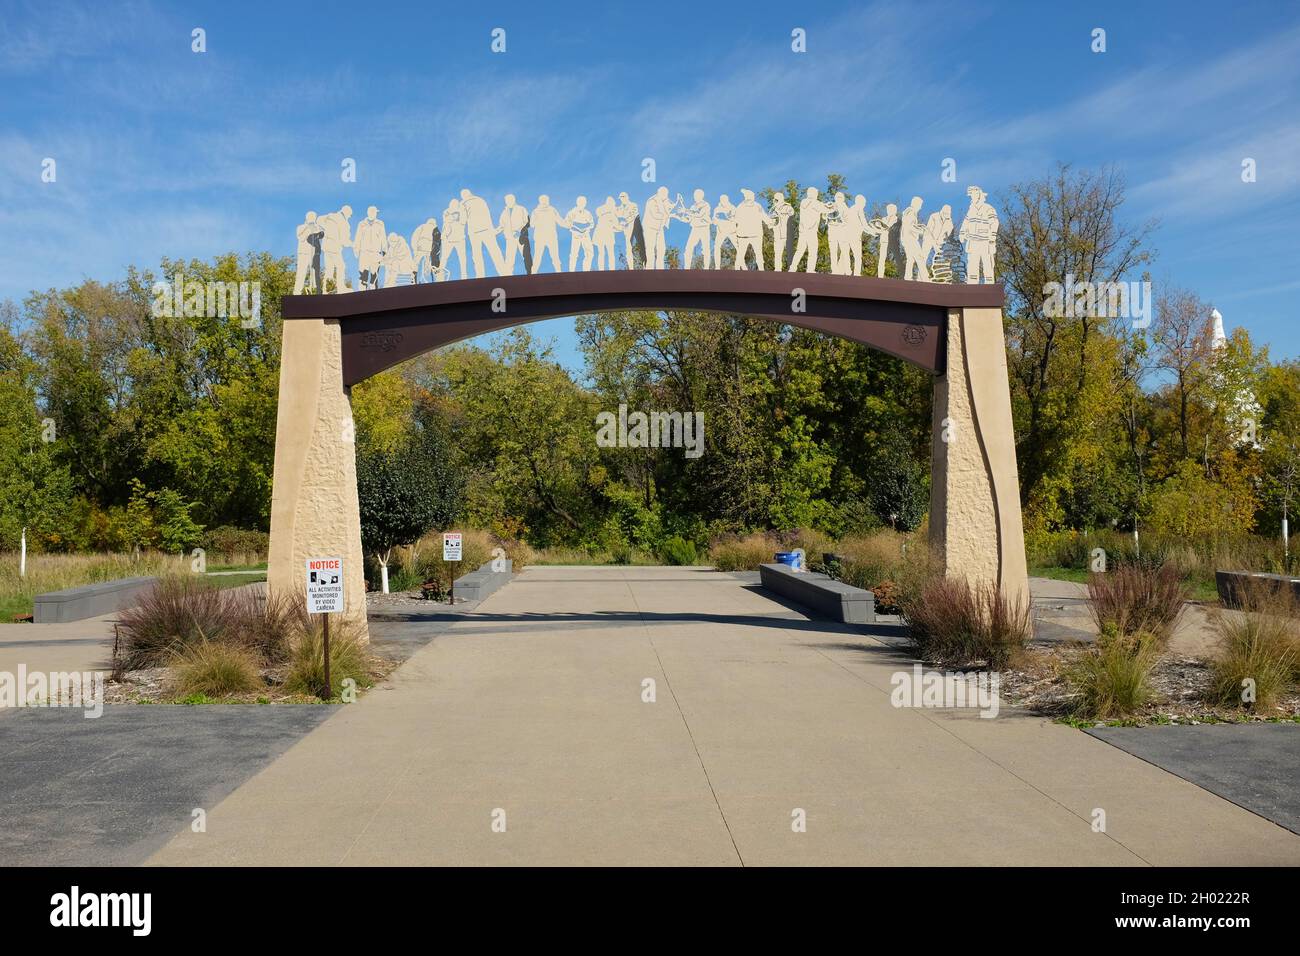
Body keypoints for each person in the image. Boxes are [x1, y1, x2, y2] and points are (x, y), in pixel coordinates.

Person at [461, 188, 506, 277]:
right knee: (495, 252)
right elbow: (487, 214)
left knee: (477, 255)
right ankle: (504, 273)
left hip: (474, 232)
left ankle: (480, 276)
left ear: (463, 196)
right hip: (487, 229)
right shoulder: (481, 200)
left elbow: (463, 220)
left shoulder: (464, 203)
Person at [959, 186, 998, 283]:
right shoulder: (971, 210)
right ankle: (972, 284)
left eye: (973, 195)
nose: (972, 197)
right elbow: (966, 222)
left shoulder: (988, 208)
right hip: (973, 241)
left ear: (979, 195)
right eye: (971, 195)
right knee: (972, 264)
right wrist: (962, 233)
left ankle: (989, 284)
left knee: (987, 265)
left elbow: (995, 222)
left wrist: (992, 236)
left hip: (985, 241)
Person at [789, 187, 829, 273]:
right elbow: (826, 209)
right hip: (811, 231)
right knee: (813, 250)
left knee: (800, 250)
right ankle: (810, 269)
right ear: (813, 194)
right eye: (816, 194)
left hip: (803, 230)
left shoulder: (804, 202)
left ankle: (793, 268)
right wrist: (835, 206)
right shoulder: (815, 203)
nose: (817, 195)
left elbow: (823, 209)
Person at [733, 189, 772, 270]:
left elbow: (763, 215)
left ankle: (761, 269)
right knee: (740, 253)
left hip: (756, 234)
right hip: (743, 235)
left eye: (752, 196)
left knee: (758, 253)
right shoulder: (740, 207)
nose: (751, 198)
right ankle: (736, 269)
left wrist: (770, 223)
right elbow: (735, 220)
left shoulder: (757, 206)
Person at [317, 204, 353, 292]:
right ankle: (340, 287)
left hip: (326, 246)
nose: (349, 217)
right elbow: (345, 241)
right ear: (347, 214)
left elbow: (318, 220)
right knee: (341, 266)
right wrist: (353, 244)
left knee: (329, 269)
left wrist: (326, 229)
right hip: (334, 247)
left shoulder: (330, 216)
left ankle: (326, 289)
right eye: (349, 215)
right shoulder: (344, 223)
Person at [529, 195, 565, 273]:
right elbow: (532, 224)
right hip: (540, 237)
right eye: (543, 200)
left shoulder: (552, 210)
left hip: (551, 237)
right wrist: (539, 220)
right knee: (537, 257)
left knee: (555, 256)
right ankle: (532, 274)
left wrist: (569, 225)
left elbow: (560, 221)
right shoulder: (535, 211)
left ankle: (559, 272)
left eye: (546, 200)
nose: (545, 201)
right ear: (540, 201)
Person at [354, 206, 387, 290]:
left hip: (376, 253)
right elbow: (358, 238)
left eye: (376, 213)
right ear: (369, 213)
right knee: (363, 276)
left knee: (374, 277)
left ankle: (373, 296)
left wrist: (384, 252)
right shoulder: (362, 224)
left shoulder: (380, 224)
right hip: (364, 253)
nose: (375, 214)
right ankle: (361, 295)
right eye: (374, 212)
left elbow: (383, 238)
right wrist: (356, 250)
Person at [498, 195, 531, 275]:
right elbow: (501, 226)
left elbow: (527, 222)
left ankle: (530, 274)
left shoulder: (521, 209)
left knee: (526, 256)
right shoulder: (504, 212)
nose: (508, 202)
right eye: (506, 201)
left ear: (514, 200)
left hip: (521, 237)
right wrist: (493, 232)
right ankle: (508, 277)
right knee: (509, 260)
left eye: (509, 200)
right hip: (510, 238)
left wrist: (519, 231)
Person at [642, 186, 674, 269]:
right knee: (650, 249)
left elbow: (671, 205)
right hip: (649, 228)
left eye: (667, 194)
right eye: (665, 194)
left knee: (661, 249)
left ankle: (660, 269)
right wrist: (668, 214)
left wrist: (671, 210)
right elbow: (656, 214)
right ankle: (649, 269)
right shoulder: (652, 201)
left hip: (659, 228)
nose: (666, 196)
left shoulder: (664, 201)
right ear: (660, 193)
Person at [294, 211, 325, 294]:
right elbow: (300, 237)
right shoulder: (301, 227)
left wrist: (318, 230)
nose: (312, 219)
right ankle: (297, 292)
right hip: (304, 253)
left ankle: (315, 291)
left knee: (315, 274)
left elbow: (323, 233)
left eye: (313, 217)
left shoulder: (317, 227)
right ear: (307, 218)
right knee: (301, 273)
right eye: (310, 217)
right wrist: (308, 228)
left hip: (314, 253)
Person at [921, 204, 954, 281]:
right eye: (946, 213)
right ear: (942, 212)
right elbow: (928, 232)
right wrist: (934, 244)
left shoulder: (949, 221)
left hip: (940, 242)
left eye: (949, 214)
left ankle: (939, 277)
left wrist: (945, 242)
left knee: (940, 260)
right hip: (929, 239)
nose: (947, 216)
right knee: (923, 257)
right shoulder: (934, 216)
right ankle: (921, 276)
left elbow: (949, 235)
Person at [898, 196, 928, 281]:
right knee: (920, 258)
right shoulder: (911, 212)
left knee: (910, 259)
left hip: (907, 239)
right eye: (920, 205)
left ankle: (907, 277)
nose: (921, 207)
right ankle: (925, 278)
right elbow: (909, 226)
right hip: (910, 239)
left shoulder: (909, 212)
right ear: (916, 204)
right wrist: (920, 231)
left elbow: (910, 225)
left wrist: (918, 227)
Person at [681, 189, 711, 269]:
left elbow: (699, 214)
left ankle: (706, 268)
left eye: (697, 195)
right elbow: (688, 219)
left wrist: (686, 210)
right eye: (694, 195)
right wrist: (678, 216)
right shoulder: (693, 206)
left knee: (705, 249)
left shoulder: (706, 205)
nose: (695, 197)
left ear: (701, 196)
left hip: (704, 228)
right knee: (688, 248)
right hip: (695, 229)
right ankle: (687, 268)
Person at [564, 196, 595, 272]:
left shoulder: (587, 213)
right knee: (574, 254)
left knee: (590, 253)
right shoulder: (572, 212)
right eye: (581, 202)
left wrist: (586, 227)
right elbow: (566, 223)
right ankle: (571, 271)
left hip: (585, 235)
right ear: (577, 203)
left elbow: (592, 223)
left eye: (584, 203)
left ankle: (586, 271)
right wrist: (575, 227)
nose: (583, 204)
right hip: (576, 235)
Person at [867, 203, 898, 278]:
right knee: (882, 258)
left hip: (892, 241)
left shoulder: (895, 219)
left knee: (898, 258)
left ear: (894, 211)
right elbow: (880, 230)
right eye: (888, 209)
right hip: (884, 240)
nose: (889, 211)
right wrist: (874, 227)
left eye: (891, 209)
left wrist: (881, 225)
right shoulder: (883, 219)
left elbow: (889, 227)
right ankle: (880, 275)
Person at [440, 198, 468, 280]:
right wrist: (444, 236)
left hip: (459, 239)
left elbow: (463, 221)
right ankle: (440, 275)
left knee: (462, 259)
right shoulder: (446, 212)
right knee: (444, 257)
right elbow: (446, 224)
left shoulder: (461, 212)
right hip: (449, 239)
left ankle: (464, 276)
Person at [615, 191, 642, 268]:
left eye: (623, 197)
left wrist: (625, 221)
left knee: (641, 246)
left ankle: (644, 265)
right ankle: (631, 267)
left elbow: (634, 214)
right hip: (626, 230)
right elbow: (615, 216)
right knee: (628, 248)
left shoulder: (633, 205)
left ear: (627, 197)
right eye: (621, 198)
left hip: (635, 228)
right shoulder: (619, 208)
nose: (622, 199)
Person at [593, 196, 620, 270]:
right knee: (609, 253)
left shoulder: (602, 213)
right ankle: (610, 269)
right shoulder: (611, 215)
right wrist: (623, 227)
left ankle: (604, 269)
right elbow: (617, 226)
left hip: (602, 235)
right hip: (605, 235)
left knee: (603, 253)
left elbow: (615, 227)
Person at [828, 191, 852, 274]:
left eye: (840, 197)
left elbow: (849, 221)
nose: (838, 199)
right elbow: (826, 216)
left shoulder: (845, 208)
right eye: (837, 197)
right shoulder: (831, 206)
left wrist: (842, 221)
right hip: (832, 230)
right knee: (833, 251)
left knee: (844, 251)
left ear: (843, 199)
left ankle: (848, 270)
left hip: (841, 230)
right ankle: (834, 269)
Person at [711, 194, 737, 268]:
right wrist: (714, 220)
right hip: (721, 231)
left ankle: (741, 264)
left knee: (738, 247)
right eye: (722, 200)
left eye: (724, 200)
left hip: (731, 231)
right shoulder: (717, 209)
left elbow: (735, 219)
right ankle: (717, 267)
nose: (723, 202)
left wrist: (727, 216)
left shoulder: (732, 208)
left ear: (727, 200)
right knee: (716, 247)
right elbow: (714, 220)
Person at [770, 193, 794, 271]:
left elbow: (792, 213)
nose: (775, 201)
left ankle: (791, 269)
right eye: (774, 199)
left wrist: (780, 213)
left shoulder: (787, 207)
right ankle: (777, 269)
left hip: (786, 233)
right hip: (777, 234)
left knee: (789, 253)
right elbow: (772, 219)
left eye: (776, 199)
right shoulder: (774, 209)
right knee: (777, 253)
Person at [411, 217, 438, 283]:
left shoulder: (422, 227)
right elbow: (436, 242)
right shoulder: (433, 229)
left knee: (417, 263)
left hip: (422, 248)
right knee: (426, 264)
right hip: (427, 249)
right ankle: (425, 279)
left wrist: (414, 248)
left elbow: (414, 237)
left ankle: (414, 277)